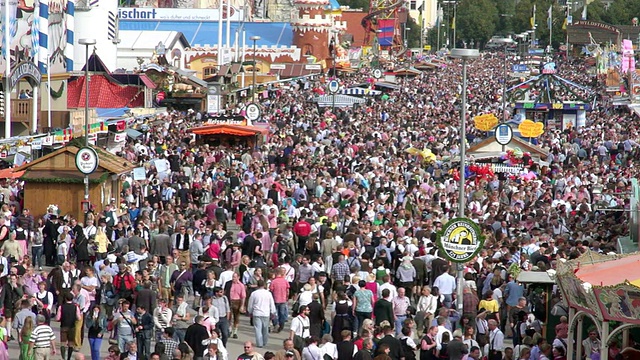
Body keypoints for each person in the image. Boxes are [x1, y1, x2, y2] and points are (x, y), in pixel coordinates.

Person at [247, 280, 276, 348]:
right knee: (265, 328)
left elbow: (250, 304)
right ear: (264, 285)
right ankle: (265, 341)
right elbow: (271, 303)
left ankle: (259, 343)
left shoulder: (254, 293)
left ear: (257, 285)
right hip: (266, 313)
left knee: (258, 329)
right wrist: (273, 312)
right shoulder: (268, 293)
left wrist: (250, 311)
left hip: (256, 313)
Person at [55, 292, 80, 360]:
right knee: (71, 343)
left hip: (63, 326)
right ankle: (69, 357)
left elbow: (57, 318)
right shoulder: (75, 307)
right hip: (72, 326)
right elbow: (79, 318)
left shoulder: (61, 307)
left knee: (63, 343)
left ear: (65, 299)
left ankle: (63, 357)